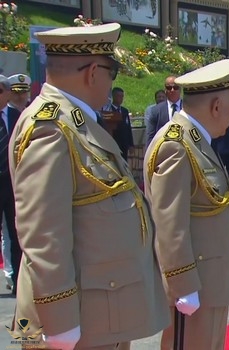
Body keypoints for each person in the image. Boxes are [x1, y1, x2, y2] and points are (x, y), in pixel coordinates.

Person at [8, 23, 170, 350]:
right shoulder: (51, 129)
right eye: (112, 72)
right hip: (74, 321)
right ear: (94, 72)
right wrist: (60, 322)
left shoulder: (75, 123)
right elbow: (43, 235)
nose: (113, 83)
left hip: (97, 312)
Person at [145, 59, 229, 350]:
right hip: (195, 283)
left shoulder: (197, 141)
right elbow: (169, 224)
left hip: (211, 281)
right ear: (216, 106)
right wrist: (183, 285)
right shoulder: (177, 145)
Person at [0, 75, 21, 294]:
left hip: (13, 183)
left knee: (16, 233)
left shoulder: (17, 116)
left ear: (7, 93)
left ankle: (17, 280)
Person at [146, 75, 182, 146]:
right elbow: (151, 136)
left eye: (175, 87)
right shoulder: (155, 111)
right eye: (169, 87)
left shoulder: (189, 108)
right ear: (165, 90)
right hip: (164, 150)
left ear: (180, 89)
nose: (172, 90)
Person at [110, 87, 134, 160]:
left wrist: (131, 144)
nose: (120, 98)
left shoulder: (124, 111)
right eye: (118, 96)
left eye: (122, 96)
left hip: (124, 144)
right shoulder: (109, 110)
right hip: (114, 142)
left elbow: (128, 127)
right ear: (113, 96)